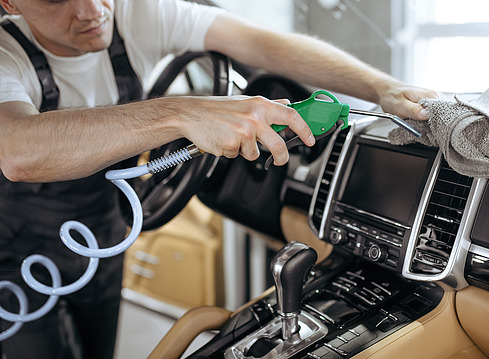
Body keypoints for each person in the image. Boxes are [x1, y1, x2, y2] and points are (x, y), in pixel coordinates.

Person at [0, 0, 443, 358]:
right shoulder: (6, 53)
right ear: (11, 3)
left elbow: (264, 45)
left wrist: (379, 87)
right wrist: (183, 112)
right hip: (18, 257)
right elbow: (19, 151)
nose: (92, 10)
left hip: (105, 237)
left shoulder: (137, 13)